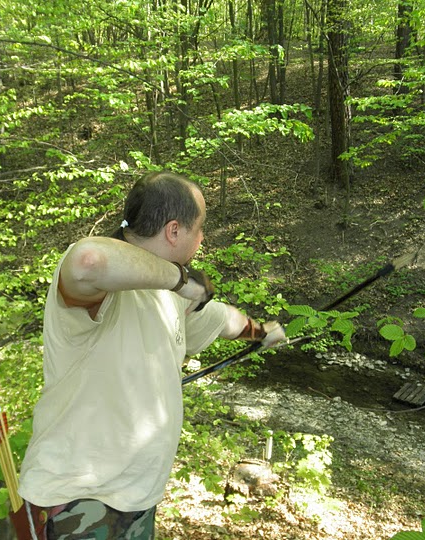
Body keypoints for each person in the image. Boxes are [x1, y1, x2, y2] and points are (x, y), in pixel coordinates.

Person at [17, 171, 285, 539]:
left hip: (136, 499)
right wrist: (181, 279)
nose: (203, 238)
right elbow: (90, 260)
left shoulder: (169, 296)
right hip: (78, 499)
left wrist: (262, 332)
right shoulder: (106, 285)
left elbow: (222, 318)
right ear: (174, 231)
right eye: (200, 227)